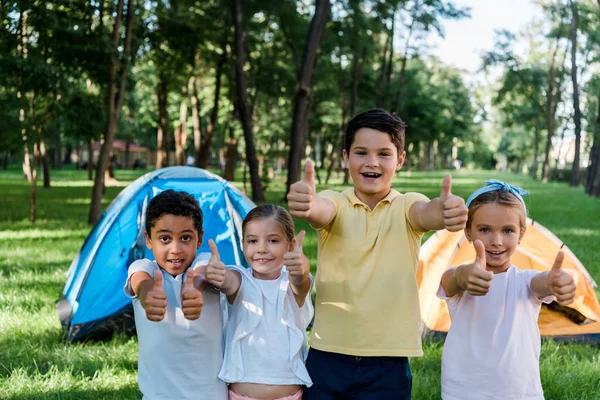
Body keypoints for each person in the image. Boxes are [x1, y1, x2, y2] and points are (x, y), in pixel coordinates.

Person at [286, 108, 469, 399]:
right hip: (328, 354)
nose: (372, 162)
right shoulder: (336, 201)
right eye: (361, 153)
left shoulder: (408, 205)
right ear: (346, 157)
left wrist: (446, 211)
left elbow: (427, 213)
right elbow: (320, 210)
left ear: (400, 160)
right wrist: (307, 203)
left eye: (384, 154)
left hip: (389, 360)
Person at [438, 180, 577, 400]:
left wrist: (557, 281)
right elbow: (453, 280)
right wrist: (466, 277)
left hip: (519, 392)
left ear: (521, 234)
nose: (496, 241)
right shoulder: (460, 278)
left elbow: (542, 282)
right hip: (464, 391)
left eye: (508, 230)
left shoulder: (526, 282)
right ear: (468, 232)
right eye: (484, 229)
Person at [123, 190, 227, 400]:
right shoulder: (145, 269)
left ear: (199, 239)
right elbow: (139, 279)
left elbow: (203, 272)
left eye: (186, 238)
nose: (175, 249)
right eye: (164, 238)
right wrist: (147, 294)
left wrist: (195, 289)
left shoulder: (204, 263)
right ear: (149, 240)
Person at [205, 204, 313, 400]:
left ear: (289, 245)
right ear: (243, 244)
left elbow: (300, 283)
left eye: (273, 240)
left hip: (289, 396)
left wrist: (301, 268)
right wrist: (218, 275)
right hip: (242, 395)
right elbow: (229, 281)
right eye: (253, 241)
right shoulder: (240, 280)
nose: (262, 249)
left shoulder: (291, 284)